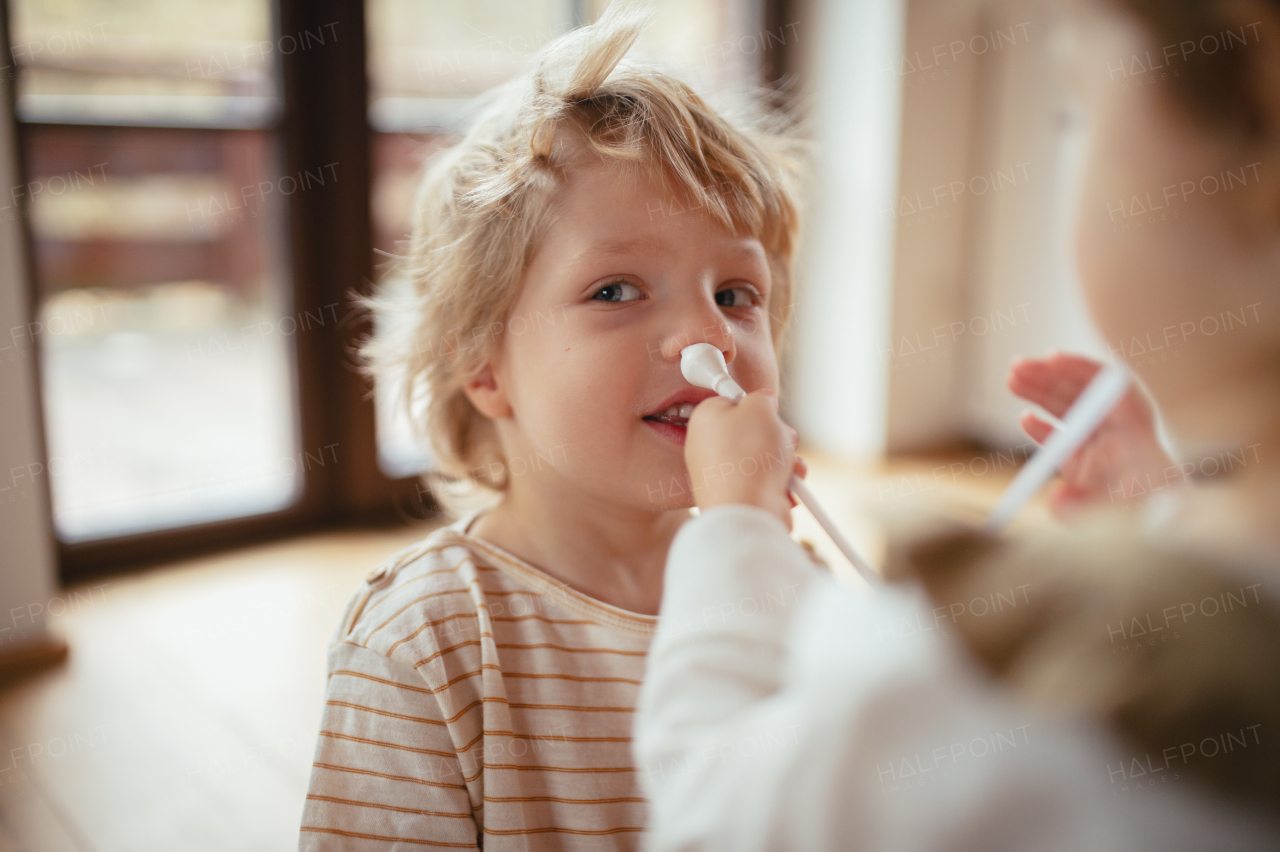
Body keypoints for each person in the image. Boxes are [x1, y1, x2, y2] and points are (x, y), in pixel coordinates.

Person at [633, 0, 1280, 848]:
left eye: (1081, 106)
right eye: (614, 292)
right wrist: (1162, 515)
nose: (706, 336)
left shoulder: (1023, 665)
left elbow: (706, 819)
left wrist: (735, 524)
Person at [296, 1, 809, 848]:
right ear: (484, 367)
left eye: (735, 294)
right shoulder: (424, 644)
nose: (710, 337)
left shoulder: (780, 575)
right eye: (616, 290)